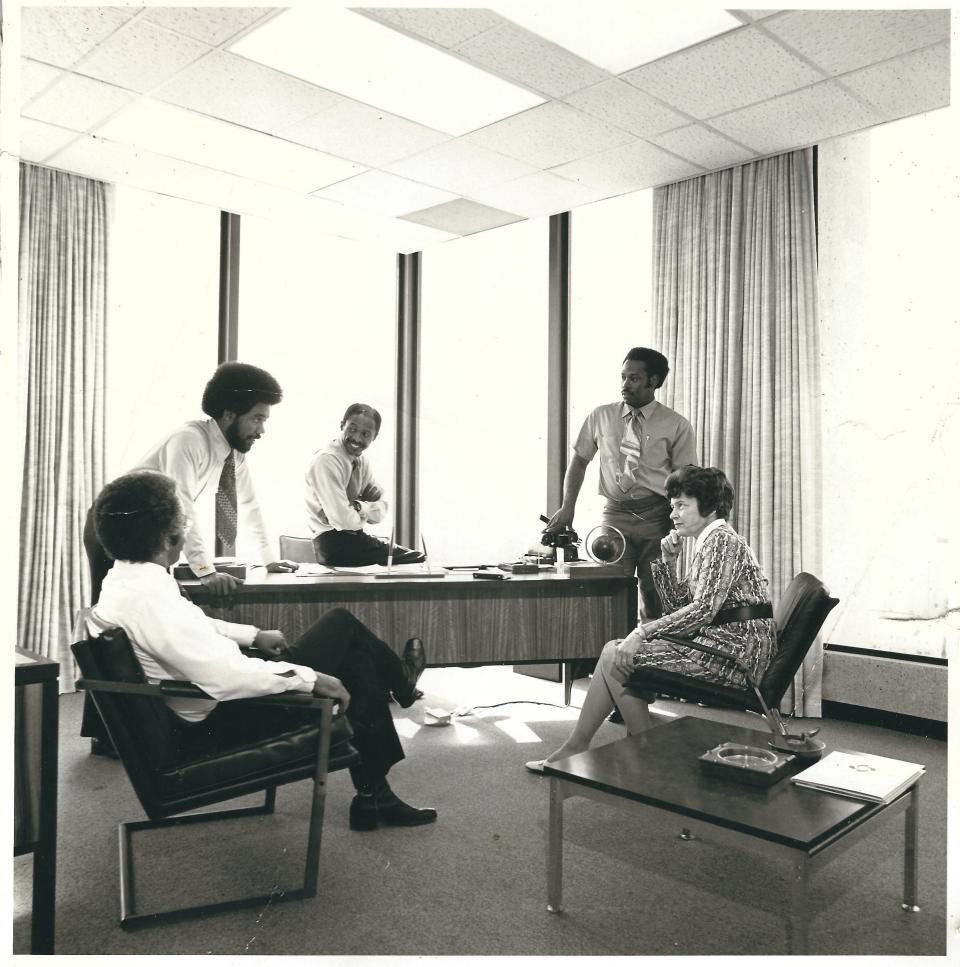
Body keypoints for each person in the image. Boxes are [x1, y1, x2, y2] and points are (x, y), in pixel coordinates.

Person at [87, 470, 437, 830]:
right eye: (184, 521)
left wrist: (253, 636)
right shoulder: (150, 597)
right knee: (343, 627)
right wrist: (310, 678)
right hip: (222, 714)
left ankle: (373, 793)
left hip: (204, 698)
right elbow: (224, 677)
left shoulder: (127, 579)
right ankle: (399, 701)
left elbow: (192, 626)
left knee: (355, 655)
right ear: (168, 537)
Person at [81, 362, 299, 754]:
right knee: (116, 638)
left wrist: (268, 558)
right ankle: (112, 733)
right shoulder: (189, 440)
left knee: (133, 630)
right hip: (114, 525)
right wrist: (204, 569)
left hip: (149, 531)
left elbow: (250, 506)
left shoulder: (233, 453)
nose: (261, 429)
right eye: (257, 419)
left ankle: (116, 733)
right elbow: (183, 509)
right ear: (229, 414)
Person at [527, 466, 776, 772]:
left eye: (682, 505)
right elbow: (679, 608)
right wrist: (668, 562)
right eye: (672, 506)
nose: (673, 514)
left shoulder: (720, 541)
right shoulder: (709, 541)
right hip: (720, 645)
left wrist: (642, 632)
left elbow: (702, 611)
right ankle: (633, 748)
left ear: (709, 506)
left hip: (733, 655)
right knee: (615, 653)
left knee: (614, 655)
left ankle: (642, 750)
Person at [543, 348, 697, 620]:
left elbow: (685, 478)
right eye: (623, 377)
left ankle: (649, 657)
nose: (625, 385)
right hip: (615, 515)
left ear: (654, 381)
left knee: (655, 595)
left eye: (634, 378)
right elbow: (579, 462)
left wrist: (680, 523)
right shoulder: (600, 416)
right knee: (610, 593)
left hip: (657, 517)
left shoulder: (676, 425)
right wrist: (568, 508)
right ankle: (613, 657)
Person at [306, 403, 424, 567]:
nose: (357, 439)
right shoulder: (327, 461)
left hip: (356, 540)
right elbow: (343, 521)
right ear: (342, 425)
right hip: (333, 546)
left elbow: (382, 511)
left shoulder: (362, 462)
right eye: (352, 429)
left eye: (366, 434)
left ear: (374, 437)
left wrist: (358, 507)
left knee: (416, 558)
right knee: (417, 560)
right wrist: (364, 511)